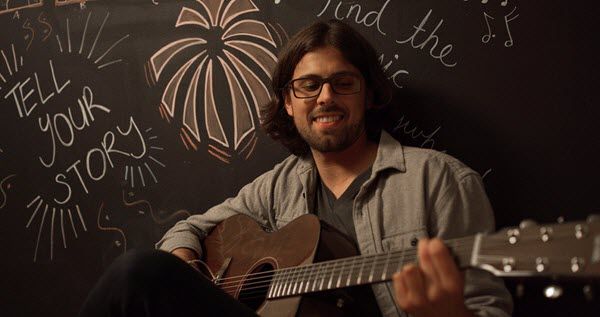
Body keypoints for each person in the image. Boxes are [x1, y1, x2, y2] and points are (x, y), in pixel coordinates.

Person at [80, 19, 512, 317]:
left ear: (368, 94)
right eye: (308, 86)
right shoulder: (277, 188)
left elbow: (489, 308)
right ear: (288, 103)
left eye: (343, 83)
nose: (326, 97)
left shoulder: (439, 181)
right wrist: (186, 263)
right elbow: (188, 228)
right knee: (139, 274)